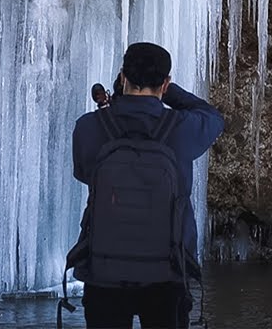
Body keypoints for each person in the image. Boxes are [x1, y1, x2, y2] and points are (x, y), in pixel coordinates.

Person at [67, 42, 224, 329]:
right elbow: (213, 117)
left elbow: (84, 173)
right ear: (165, 83)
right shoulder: (183, 127)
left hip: (104, 271)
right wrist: (169, 93)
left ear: (122, 76)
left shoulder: (89, 127)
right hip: (167, 271)